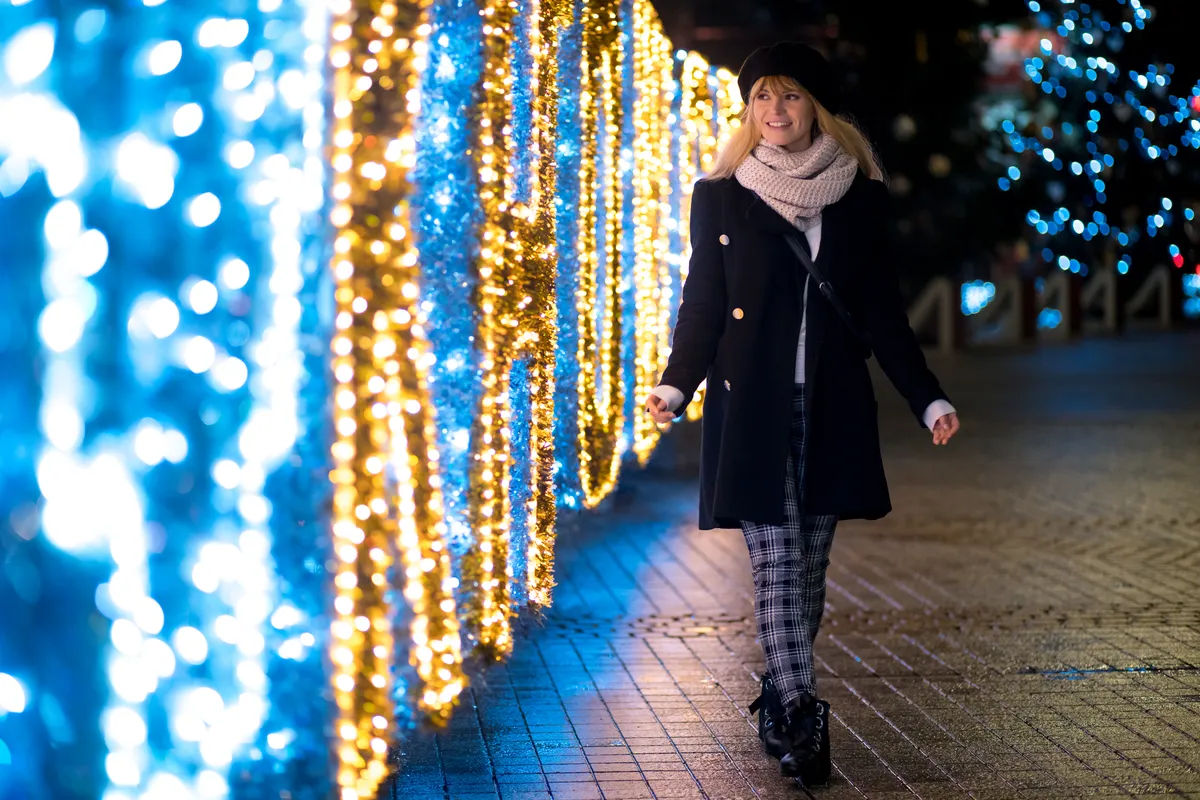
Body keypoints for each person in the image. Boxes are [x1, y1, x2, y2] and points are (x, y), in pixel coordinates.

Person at [643, 42, 961, 785]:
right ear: (747, 110)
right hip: (749, 409)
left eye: (789, 98)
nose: (775, 111)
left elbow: (883, 314)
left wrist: (928, 397)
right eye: (762, 98)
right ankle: (805, 713)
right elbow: (704, 304)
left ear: (817, 108)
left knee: (807, 573)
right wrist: (675, 385)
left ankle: (780, 701)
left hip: (830, 408)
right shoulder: (720, 195)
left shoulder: (859, 197)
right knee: (779, 564)